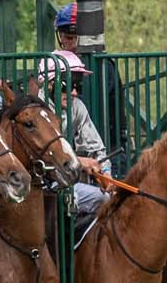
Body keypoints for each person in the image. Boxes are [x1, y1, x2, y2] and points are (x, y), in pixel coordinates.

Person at [30, 50, 113, 218]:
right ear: (49, 84)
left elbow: (96, 149)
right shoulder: (35, 110)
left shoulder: (77, 106)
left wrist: (105, 172)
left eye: (78, 85)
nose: (74, 92)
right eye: (68, 86)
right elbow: (44, 155)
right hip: (39, 185)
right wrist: (80, 162)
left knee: (105, 199)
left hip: (67, 184)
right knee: (69, 200)